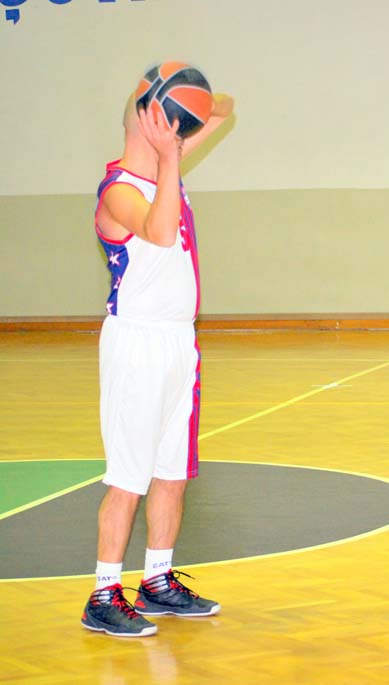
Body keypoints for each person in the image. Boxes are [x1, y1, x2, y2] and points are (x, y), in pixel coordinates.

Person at [81, 74, 234, 637]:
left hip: (177, 343)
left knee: (172, 473)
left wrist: (170, 90)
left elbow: (222, 107)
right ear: (147, 128)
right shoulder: (119, 191)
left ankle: (157, 581)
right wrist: (170, 152)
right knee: (129, 477)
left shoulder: (164, 170)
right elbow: (161, 233)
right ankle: (102, 594)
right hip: (137, 345)